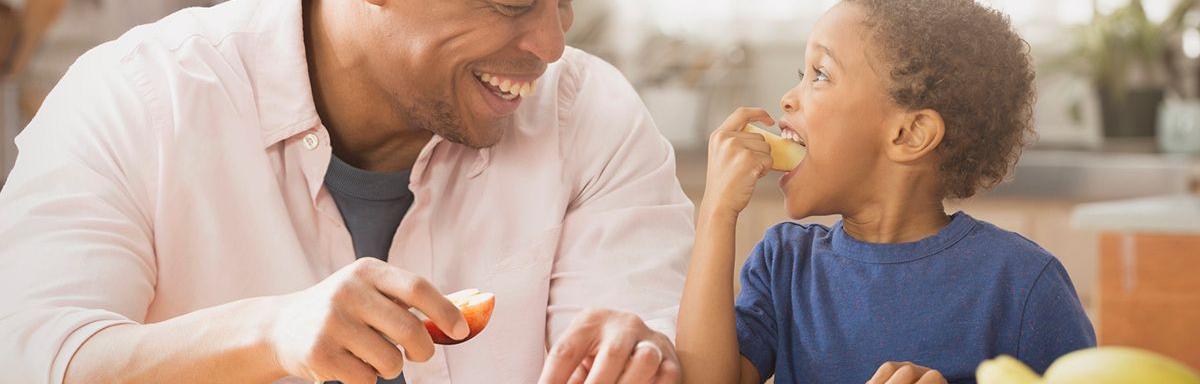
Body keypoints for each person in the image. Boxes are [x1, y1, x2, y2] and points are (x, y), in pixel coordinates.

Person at [0, 0, 692, 383]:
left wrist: (638, 353)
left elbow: (634, 333)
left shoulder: (590, 115)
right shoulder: (140, 96)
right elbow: (37, 358)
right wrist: (271, 333)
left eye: (563, 0)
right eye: (512, 1)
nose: (550, 42)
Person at [675, 1, 1096, 383]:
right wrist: (716, 211)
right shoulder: (783, 265)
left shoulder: (1022, 284)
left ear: (909, 134)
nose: (787, 99)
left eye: (820, 75)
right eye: (802, 75)